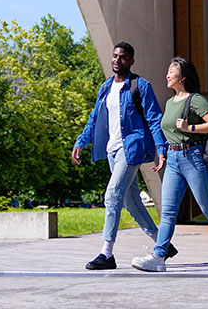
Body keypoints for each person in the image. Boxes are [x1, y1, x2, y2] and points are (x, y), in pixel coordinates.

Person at [132, 57, 208, 272]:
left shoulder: (196, 100)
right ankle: (158, 257)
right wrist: (162, 153)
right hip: (173, 160)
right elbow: (168, 132)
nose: (167, 74)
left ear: (182, 77)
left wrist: (190, 127)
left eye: (172, 70)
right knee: (168, 212)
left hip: (194, 158)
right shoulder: (169, 102)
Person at [72, 42, 176, 270]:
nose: (117, 60)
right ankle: (163, 244)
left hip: (132, 149)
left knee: (112, 196)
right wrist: (81, 141)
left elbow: (154, 119)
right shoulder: (106, 88)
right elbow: (94, 118)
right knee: (132, 202)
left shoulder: (141, 86)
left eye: (123, 57)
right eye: (115, 56)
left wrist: (161, 148)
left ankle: (106, 253)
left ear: (131, 61)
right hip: (112, 150)